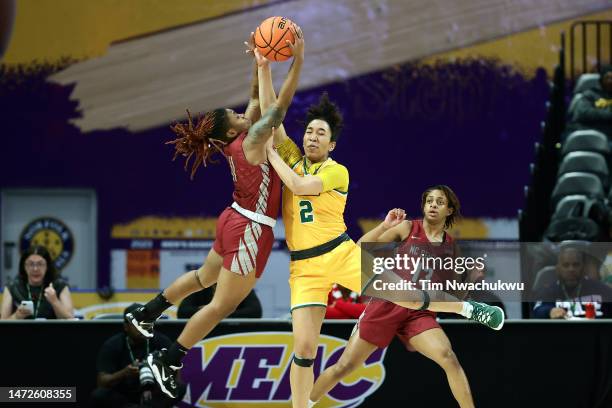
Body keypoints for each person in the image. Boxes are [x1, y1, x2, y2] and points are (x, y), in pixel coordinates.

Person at [257, 48, 504, 406]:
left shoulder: (334, 170)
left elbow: (299, 187)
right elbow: (271, 116)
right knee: (305, 348)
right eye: (308, 131)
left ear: (332, 144)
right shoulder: (295, 157)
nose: (311, 137)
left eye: (320, 133)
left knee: (410, 297)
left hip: (338, 254)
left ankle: (468, 309)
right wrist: (264, 68)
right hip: (304, 267)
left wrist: (272, 155)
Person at [125, 26, 304, 399]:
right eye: (236, 115)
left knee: (202, 277)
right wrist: (296, 61)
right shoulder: (252, 138)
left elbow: (256, 99)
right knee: (222, 304)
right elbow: (277, 108)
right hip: (250, 227)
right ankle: (170, 358)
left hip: (232, 217)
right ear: (230, 130)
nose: (242, 113)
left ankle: (147, 313)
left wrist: (261, 62)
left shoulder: (236, 140)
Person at [309, 187, 485, 408]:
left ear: (449, 210)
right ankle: (304, 403)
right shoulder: (408, 227)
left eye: (440, 202)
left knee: (448, 357)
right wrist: (384, 226)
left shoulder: (451, 247)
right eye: (429, 201)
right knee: (344, 367)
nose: (432, 205)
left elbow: (454, 295)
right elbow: (362, 247)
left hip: (419, 312)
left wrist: (472, 279)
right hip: (387, 304)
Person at [92, 303, 186, 407]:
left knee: (179, 388)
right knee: (100, 394)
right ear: (126, 327)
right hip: (124, 395)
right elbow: (102, 382)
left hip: (153, 394)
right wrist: (124, 373)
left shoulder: (162, 342)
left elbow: (176, 377)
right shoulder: (113, 345)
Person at [533, 245, 612, 318]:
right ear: (558, 269)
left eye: (576, 265)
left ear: (584, 268)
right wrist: (550, 311)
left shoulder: (601, 290)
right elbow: (537, 310)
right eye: (566, 265)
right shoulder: (548, 291)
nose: (571, 269)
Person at [1, 245, 74, 320]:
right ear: (24, 266)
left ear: (47, 266)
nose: (35, 269)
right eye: (31, 264)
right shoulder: (13, 287)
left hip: (51, 331)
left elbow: (70, 319)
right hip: (21, 331)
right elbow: (2, 323)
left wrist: (55, 301)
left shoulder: (59, 285)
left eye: (40, 264)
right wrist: (17, 316)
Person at [570, 64, 612, 136]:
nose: (610, 81)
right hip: (590, 132)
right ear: (601, 80)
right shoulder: (590, 94)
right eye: (607, 78)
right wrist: (608, 113)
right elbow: (584, 113)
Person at [177, 285, 262, 319]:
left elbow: (255, 311)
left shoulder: (241, 285)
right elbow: (182, 312)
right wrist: (218, 312)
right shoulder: (200, 286)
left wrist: (212, 312)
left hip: (234, 333)